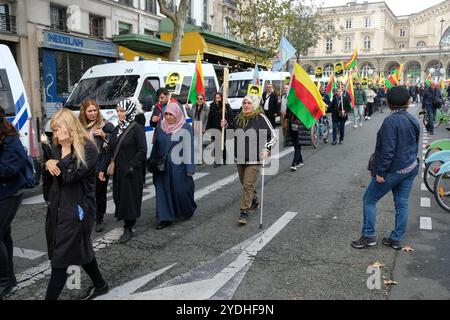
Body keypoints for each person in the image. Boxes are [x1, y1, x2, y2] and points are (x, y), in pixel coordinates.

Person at [44, 109, 108, 300]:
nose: (56, 135)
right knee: (80, 249)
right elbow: (53, 176)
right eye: (54, 131)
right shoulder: (58, 145)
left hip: (78, 210)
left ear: (69, 128)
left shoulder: (88, 148)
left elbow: (69, 176)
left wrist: (64, 150)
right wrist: (47, 163)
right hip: (58, 208)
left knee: (61, 258)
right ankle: (101, 284)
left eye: (58, 130)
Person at [352, 86, 420, 250]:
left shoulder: (391, 121)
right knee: (402, 204)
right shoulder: (412, 118)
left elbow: (388, 151)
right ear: (407, 101)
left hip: (393, 170)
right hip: (410, 167)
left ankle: (368, 236)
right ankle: (396, 239)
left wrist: (381, 173)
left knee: (369, 199)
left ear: (389, 103)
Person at [221, 95, 278, 225]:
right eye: (244, 103)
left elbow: (273, 136)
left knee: (247, 184)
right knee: (245, 182)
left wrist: (267, 149)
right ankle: (254, 201)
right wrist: (225, 125)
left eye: (249, 103)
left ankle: (244, 212)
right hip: (240, 157)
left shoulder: (261, 118)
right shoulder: (239, 118)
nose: (246, 105)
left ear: (255, 105)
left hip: (255, 158)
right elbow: (231, 130)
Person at [100, 99, 147, 243]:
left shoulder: (137, 128)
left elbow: (142, 150)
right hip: (119, 171)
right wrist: (103, 169)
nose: (119, 114)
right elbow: (110, 150)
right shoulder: (117, 129)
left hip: (132, 171)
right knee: (119, 197)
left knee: (129, 199)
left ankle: (128, 226)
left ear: (129, 111)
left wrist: (132, 165)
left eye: (122, 111)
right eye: (118, 111)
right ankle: (127, 220)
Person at [150, 103, 196, 230]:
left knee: (181, 191)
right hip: (161, 168)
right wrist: (151, 164)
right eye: (166, 114)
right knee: (162, 192)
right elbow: (156, 146)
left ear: (178, 114)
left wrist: (190, 168)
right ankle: (165, 218)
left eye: (171, 114)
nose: (168, 117)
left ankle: (187, 209)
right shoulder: (160, 127)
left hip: (178, 168)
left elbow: (189, 148)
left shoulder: (186, 128)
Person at [0, 106, 27, 299]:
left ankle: (4, 281)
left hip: (10, 193)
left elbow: (9, 168)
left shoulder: (11, 139)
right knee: (4, 235)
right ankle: (10, 277)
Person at [78, 100, 115, 233]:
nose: (93, 113)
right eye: (90, 111)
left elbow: (116, 139)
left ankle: (99, 219)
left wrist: (104, 135)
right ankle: (89, 216)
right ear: (84, 112)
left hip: (100, 165)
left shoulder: (105, 125)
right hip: (84, 166)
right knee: (86, 194)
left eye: (95, 110)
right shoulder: (80, 126)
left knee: (100, 193)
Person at [206, 92, 234, 168]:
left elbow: (231, 116)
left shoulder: (225, 106)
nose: (217, 99)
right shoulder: (212, 107)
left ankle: (225, 158)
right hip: (215, 127)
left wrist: (225, 121)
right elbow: (210, 119)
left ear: (221, 98)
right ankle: (217, 161)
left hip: (223, 128)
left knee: (224, 143)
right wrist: (208, 129)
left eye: (219, 97)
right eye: (216, 98)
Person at [286, 106, 304, 171]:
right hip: (291, 125)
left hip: (299, 126)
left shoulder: (301, 104)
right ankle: (300, 160)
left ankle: (294, 163)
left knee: (297, 144)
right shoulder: (291, 102)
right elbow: (287, 114)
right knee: (295, 144)